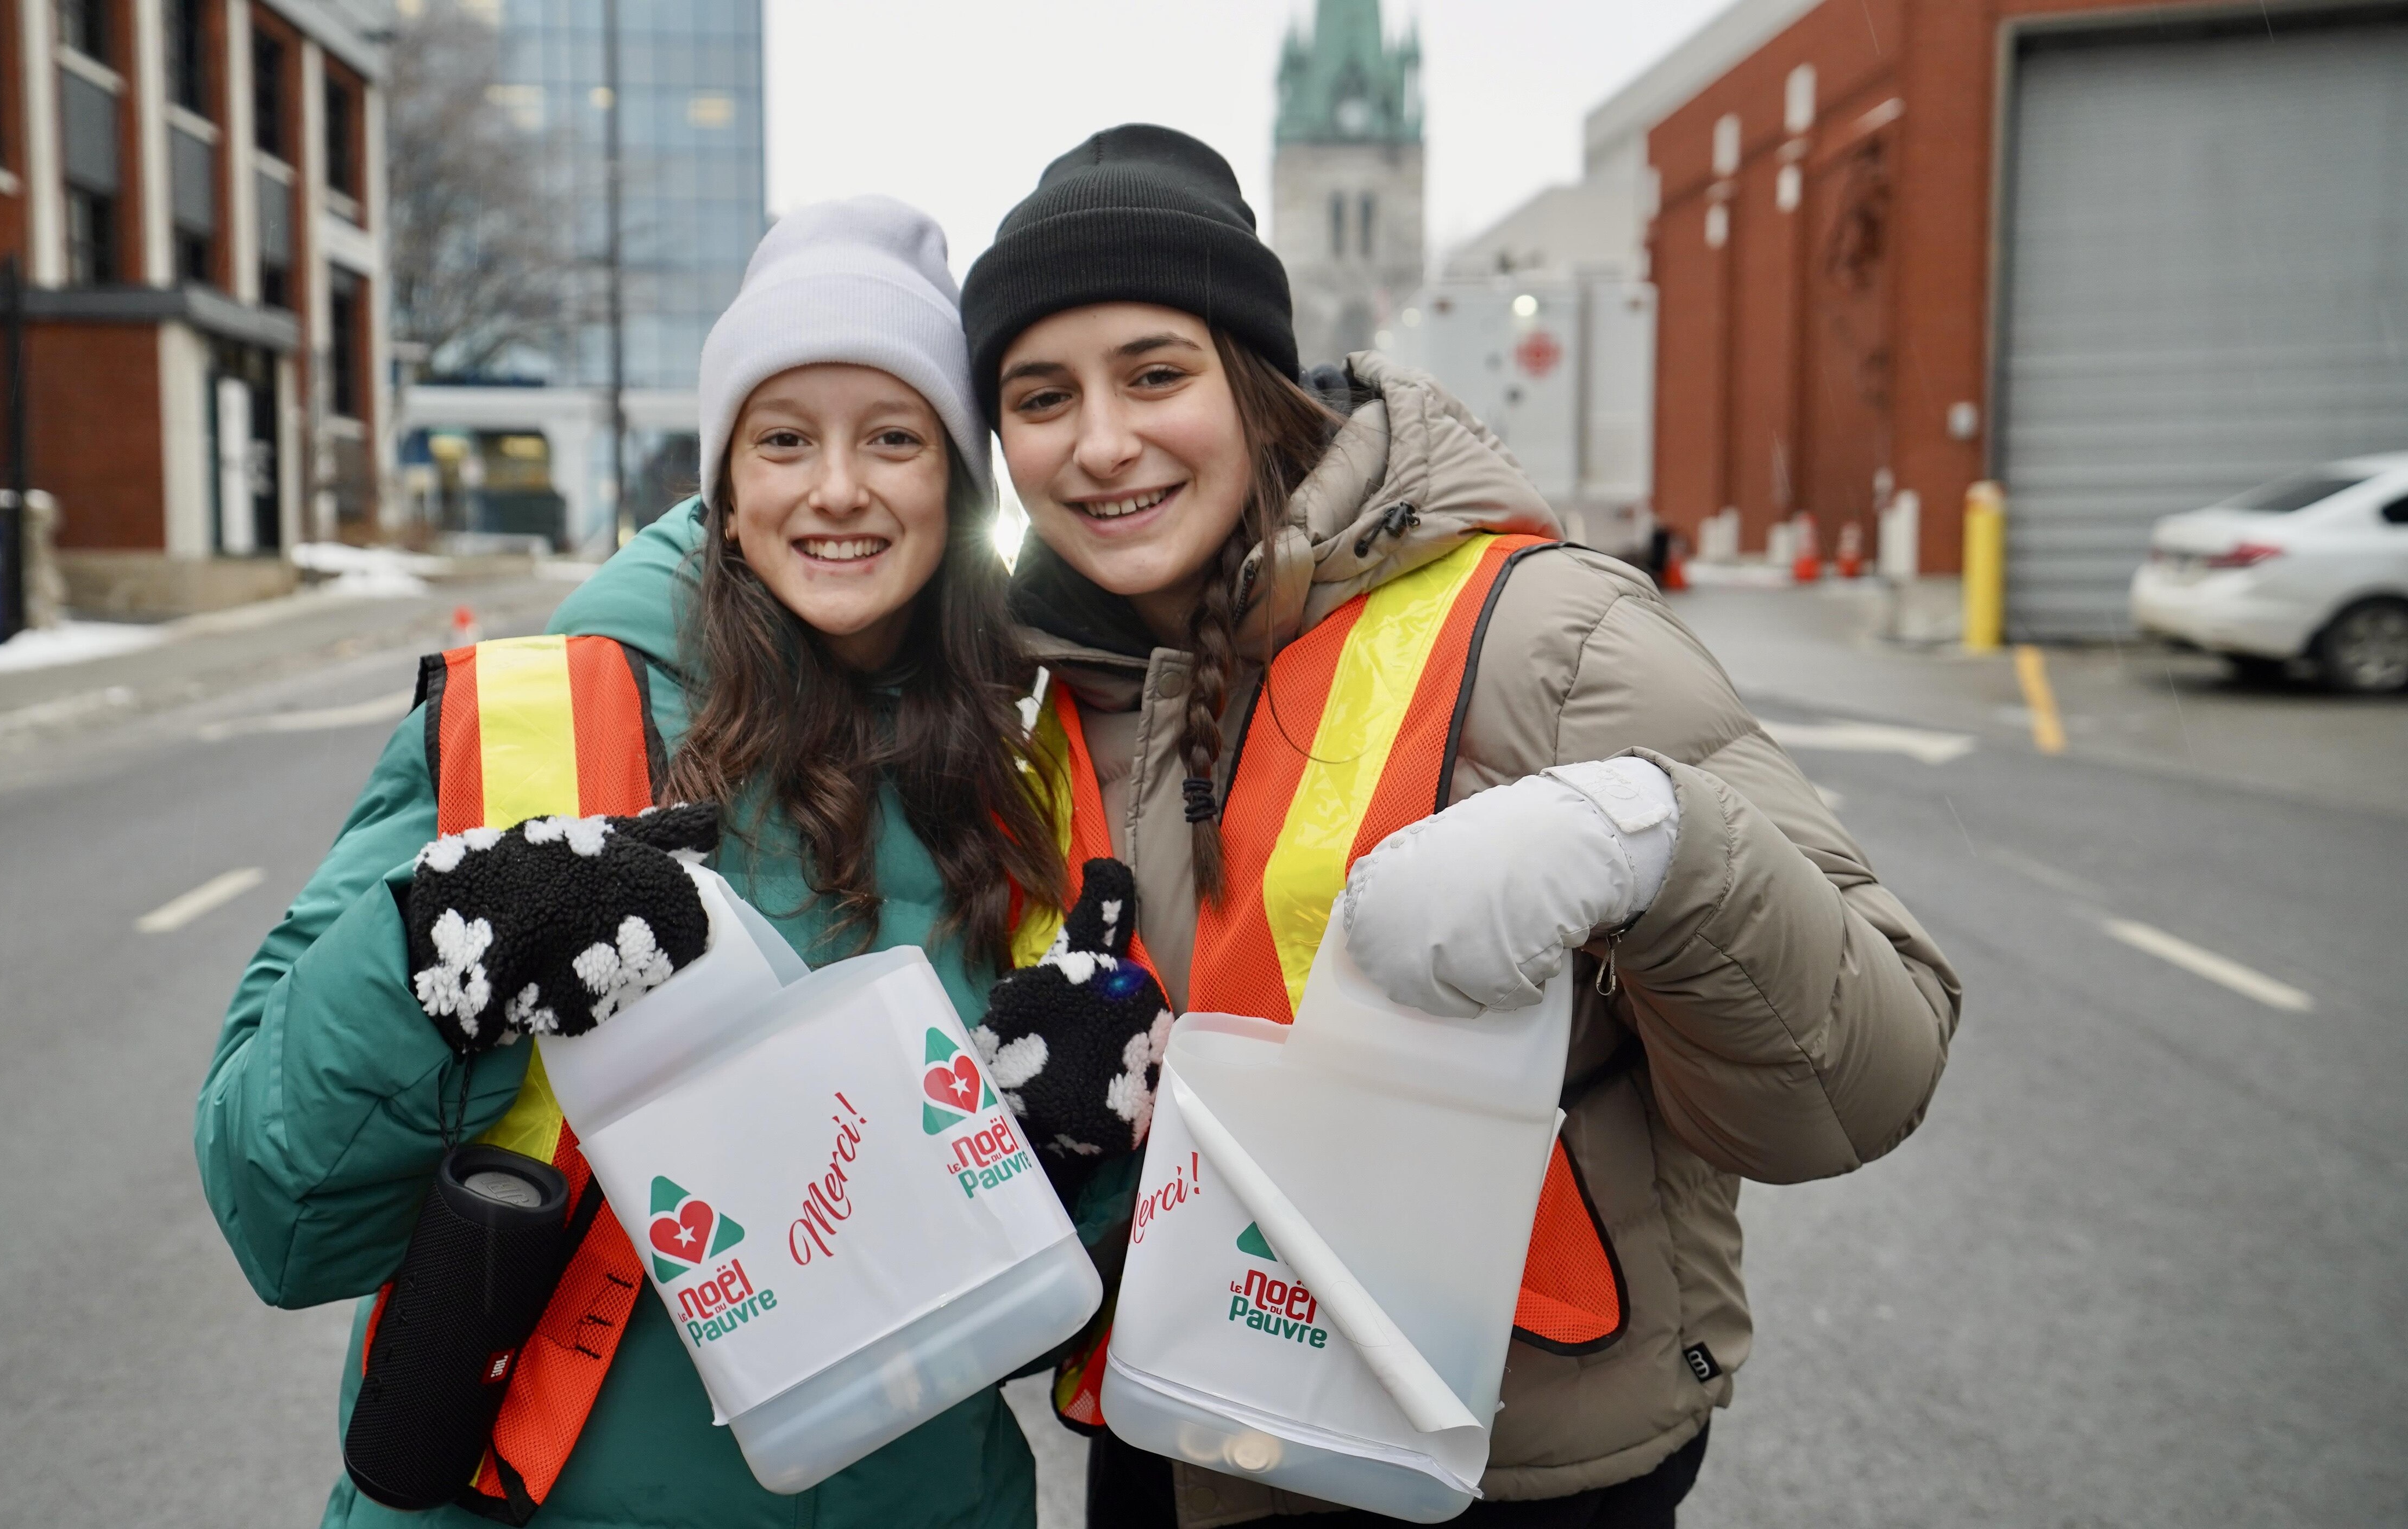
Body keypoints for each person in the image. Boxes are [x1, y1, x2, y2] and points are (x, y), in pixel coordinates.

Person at [956, 125, 1962, 1529]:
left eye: (1156, 373)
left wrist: (1656, 842)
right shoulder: (1056, 699)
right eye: (1041, 395)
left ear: (1253, 383)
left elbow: (1866, 1077)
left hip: (1505, 1454)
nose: (1103, 440)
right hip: (1182, 1431)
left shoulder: (1541, 629)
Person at [197, 197, 1121, 1529]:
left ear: (956, 486)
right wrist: (426, 952)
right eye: (785, 438)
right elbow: (272, 1212)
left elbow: (1018, 1323)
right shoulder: (536, 724)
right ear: (727, 489)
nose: (839, 487)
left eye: (894, 438)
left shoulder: (1022, 777)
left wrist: (1075, 1155)